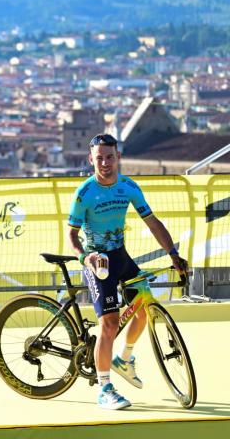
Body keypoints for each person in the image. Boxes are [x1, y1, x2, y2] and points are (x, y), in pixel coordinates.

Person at [68, 133, 188, 410]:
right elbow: (72, 236)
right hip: (99, 263)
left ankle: (124, 358)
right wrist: (85, 257)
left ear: (118, 157)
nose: (105, 163)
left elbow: (153, 222)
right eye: (99, 158)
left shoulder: (129, 187)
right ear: (91, 160)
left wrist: (173, 253)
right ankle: (104, 388)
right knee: (109, 324)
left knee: (144, 305)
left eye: (110, 157)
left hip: (121, 257)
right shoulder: (84, 193)